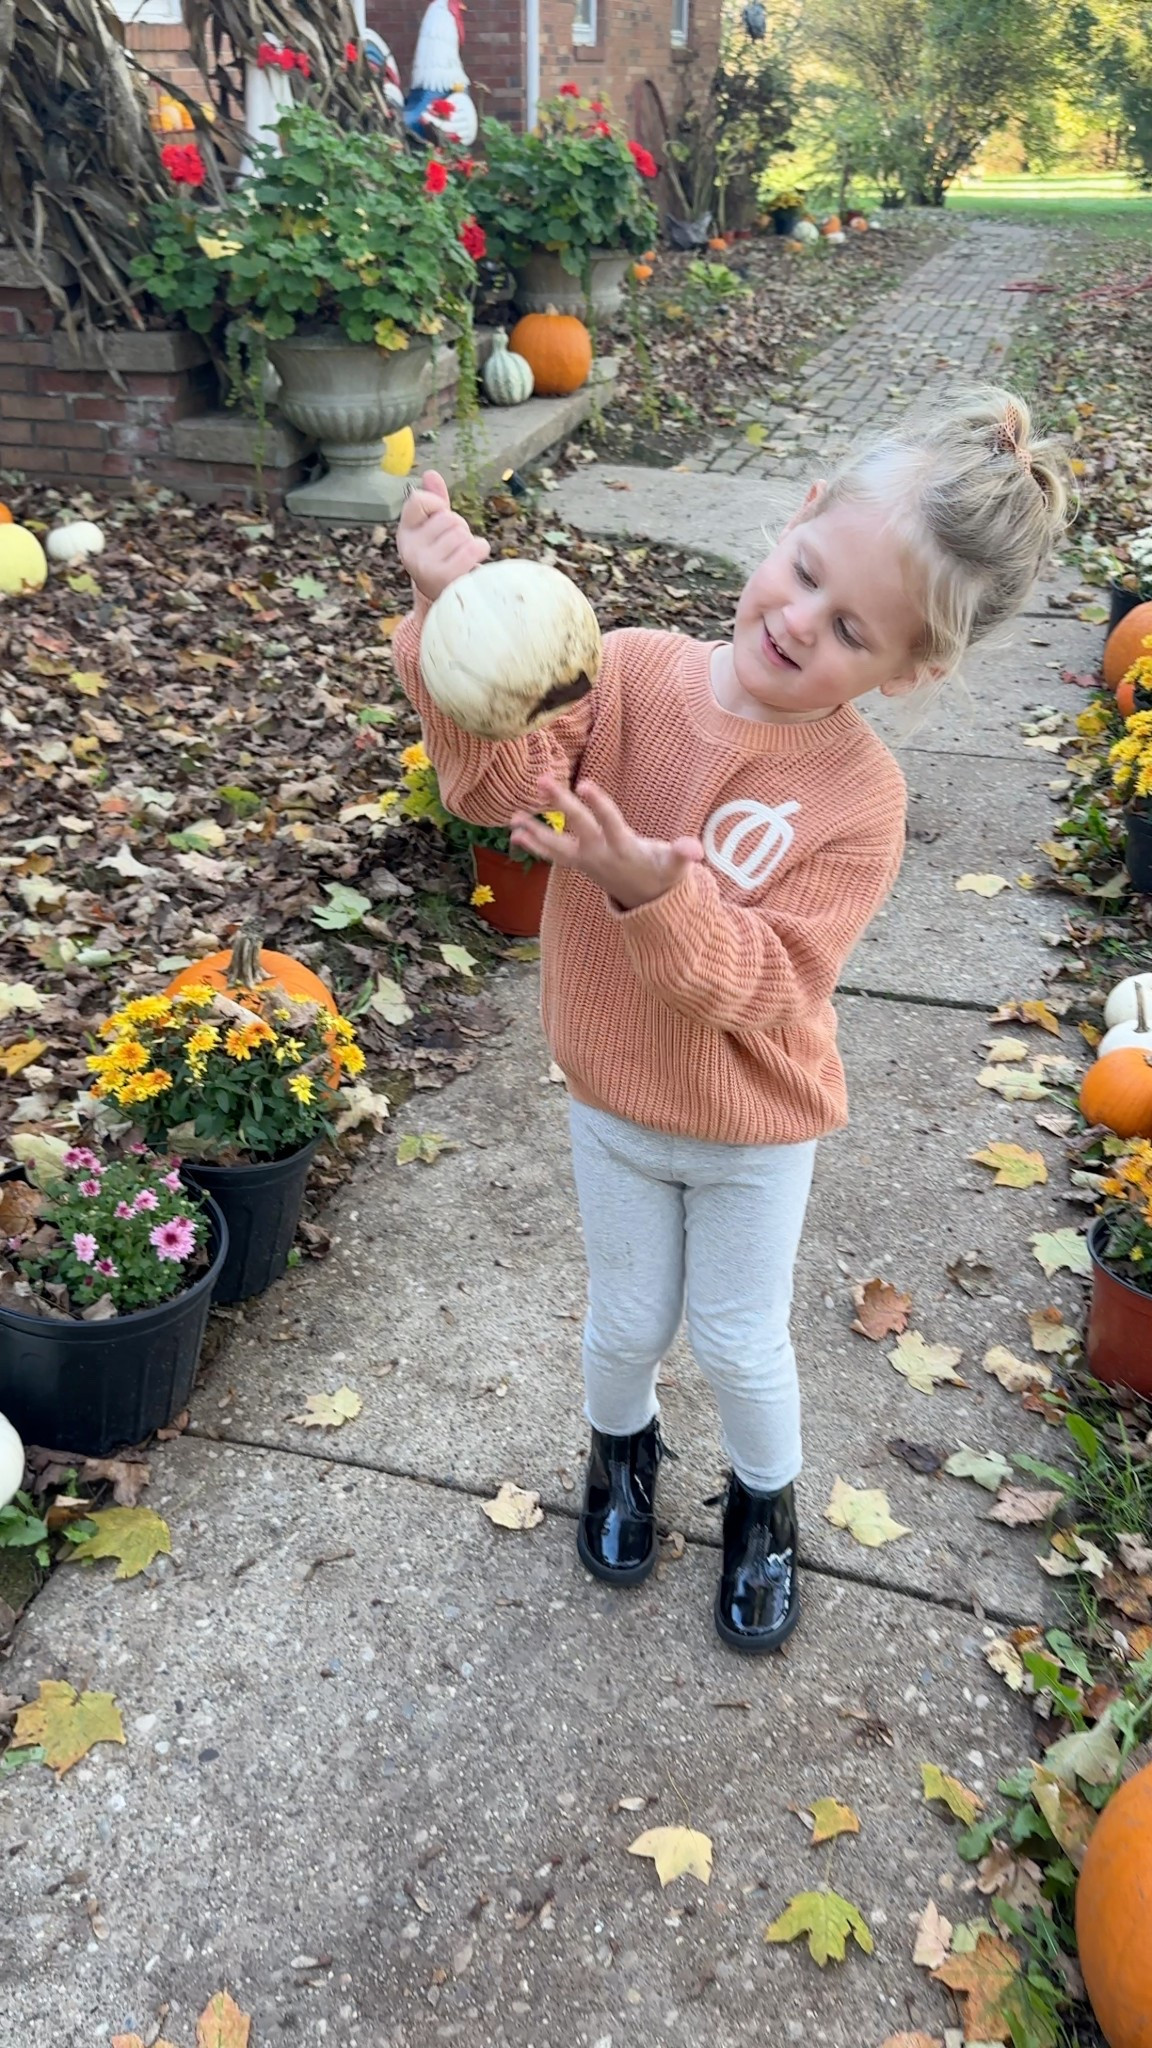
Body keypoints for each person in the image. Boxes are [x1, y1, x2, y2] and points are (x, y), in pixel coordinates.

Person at [392, 388, 1071, 1656]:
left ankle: (765, 1509)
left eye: (852, 626)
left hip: (752, 1126)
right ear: (796, 519)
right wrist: (449, 621)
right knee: (627, 1320)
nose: (800, 622)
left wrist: (658, 893)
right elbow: (500, 787)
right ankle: (621, 1459)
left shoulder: (860, 798)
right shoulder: (633, 670)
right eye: (805, 574)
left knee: (741, 1338)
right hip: (609, 1097)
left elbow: (769, 983)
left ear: (909, 668)